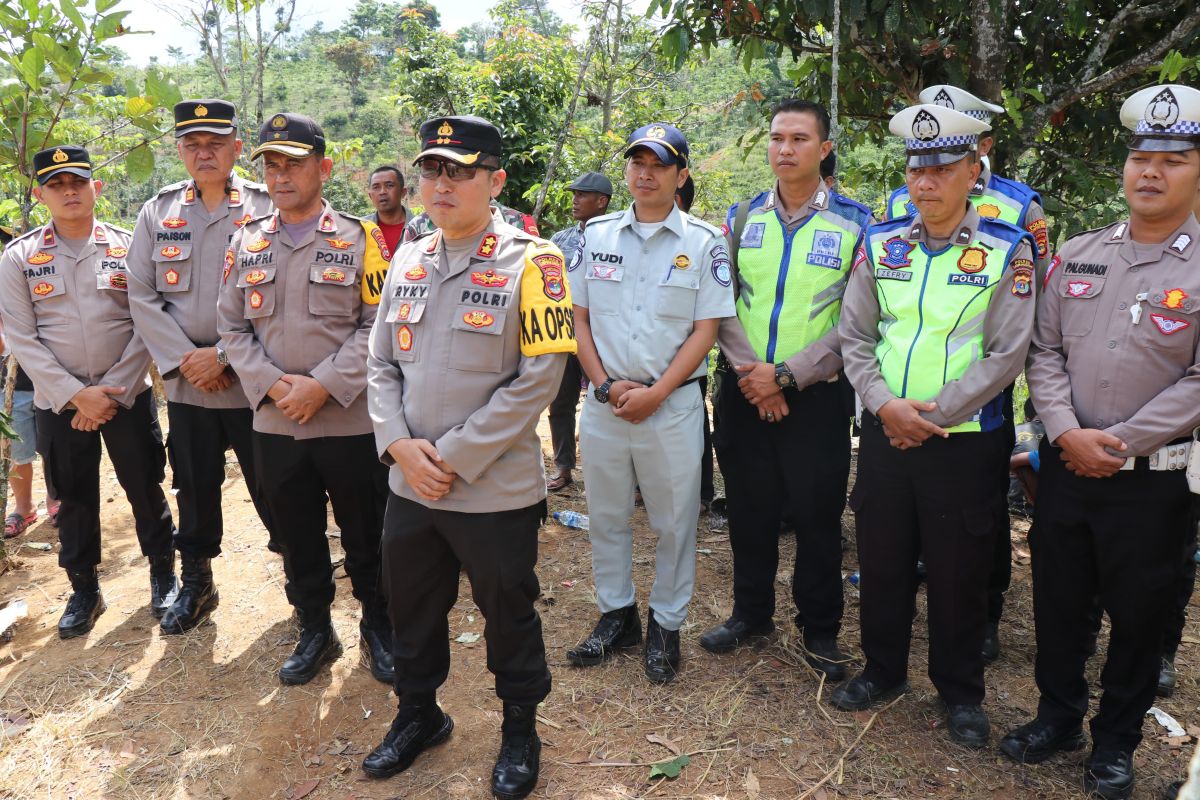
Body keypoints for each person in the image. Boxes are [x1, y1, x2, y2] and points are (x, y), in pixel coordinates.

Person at [362, 115, 575, 799]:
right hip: (410, 486)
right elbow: (379, 364)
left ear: (496, 180)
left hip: (492, 489)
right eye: (432, 170)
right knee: (411, 608)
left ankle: (519, 729)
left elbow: (541, 378)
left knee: (507, 610)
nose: (442, 183)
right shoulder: (408, 257)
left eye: (460, 170)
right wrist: (398, 444)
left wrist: (450, 456)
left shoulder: (538, 263)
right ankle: (420, 716)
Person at [1000, 84, 1200, 800]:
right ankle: (1058, 716)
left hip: (1151, 480)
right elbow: (1043, 352)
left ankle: (1116, 743)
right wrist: (1064, 432)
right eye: (1140, 157)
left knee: (1141, 616)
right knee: (1059, 600)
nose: (1150, 172)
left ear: (1197, 170)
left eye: (1172, 160)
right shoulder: (1081, 254)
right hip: (1066, 467)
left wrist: (1112, 440)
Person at [835, 104, 1037, 748]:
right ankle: (882, 670)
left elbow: (1008, 354)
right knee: (883, 555)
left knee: (958, 567)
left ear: (975, 171)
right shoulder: (880, 241)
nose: (927, 182)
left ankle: (960, 691)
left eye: (944, 167)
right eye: (917, 168)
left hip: (966, 440)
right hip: (887, 432)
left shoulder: (1009, 249)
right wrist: (884, 406)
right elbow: (855, 336)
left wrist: (933, 416)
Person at [216, 113, 392, 686]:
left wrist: (324, 385)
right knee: (296, 534)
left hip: (347, 422)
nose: (280, 174)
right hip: (275, 424)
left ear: (325, 167)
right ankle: (315, 626)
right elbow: (232, 330)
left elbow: (378, 326)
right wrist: (271, 384)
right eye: (271, 163)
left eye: (294, 162)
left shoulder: (360, 238)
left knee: (366, 531)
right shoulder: (244, 241)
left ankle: (378, 623)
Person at [701, 99, 869, 682]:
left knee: (819, 518)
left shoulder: (858, 224)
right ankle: (751, 613)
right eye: (777, 137)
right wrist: (756, 378)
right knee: (749, 508)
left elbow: (857, 325)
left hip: (817, 398)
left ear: (824, 149)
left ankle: (820, 629)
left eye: (800, 139)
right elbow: (720, 303)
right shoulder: (742, 217)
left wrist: (789, 376)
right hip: (744, 392)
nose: (785, 149)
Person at [886, 85, 1051, 662]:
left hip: (980, 400)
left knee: (977, 524)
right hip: (898, 404)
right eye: (917, 158)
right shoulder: (894, 205)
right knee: (904, 532)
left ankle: (985, 615)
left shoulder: (1020, 208)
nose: (927, 174)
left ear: (979, 148)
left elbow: (1032, 308)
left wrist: (944, 410)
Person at [565, 123, 734, 684]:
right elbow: (579, 319)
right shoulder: (596, 236)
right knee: (608, 516)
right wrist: (606, 386)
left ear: (681, 175)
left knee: (674, 521)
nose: (644, 173)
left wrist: (656, 394)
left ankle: (665, 623)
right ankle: (617, 616)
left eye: (659, 164)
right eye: (637, 162)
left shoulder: (704, 242)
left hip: (673, 405)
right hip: (606, 402)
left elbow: (706, 330)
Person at [0, 146, 178, 638]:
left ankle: (163, 575)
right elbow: (22, 339)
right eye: (57, 185)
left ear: (96, 187)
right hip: (60, 404)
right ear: (41, 195)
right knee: (73, 498)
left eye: (78, 181)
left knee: (144, 485)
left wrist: (111, 392)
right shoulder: (19, 258)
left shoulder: (128, 247)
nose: (70, 191)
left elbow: (148, 322)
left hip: (127, 395)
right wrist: (78, 396)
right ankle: (84, 591)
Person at [126, 99, 277, 635]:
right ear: (180, 150)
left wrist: (225, 356)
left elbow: (281, 295)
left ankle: (302, 587)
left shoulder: (266, 206)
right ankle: (197, 581)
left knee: (275, 487)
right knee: (192, 484)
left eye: (215, 143)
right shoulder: (158, 213)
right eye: (192, 144)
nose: (204, 153)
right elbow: (142, 296)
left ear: (237, 146)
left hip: (255, 384)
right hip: (190, 389)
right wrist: (184, 361)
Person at [546, 171, 612, 492]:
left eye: (582, 195)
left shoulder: (616, 239)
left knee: (608, 396)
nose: (575, 200)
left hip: (603, 335)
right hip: (564, 332)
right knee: (560, 401)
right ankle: (563, 466)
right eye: (574, 194)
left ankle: (621, 473)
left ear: (602, 202)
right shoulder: (560, 240)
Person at [673, 174, 717, 513]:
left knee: (694, 423)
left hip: (686, 358)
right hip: (637, 365)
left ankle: (700, 493)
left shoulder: (702, 241)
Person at [0, 356, 59, 537]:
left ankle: (57, 501)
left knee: (54, 448)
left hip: (54, 383)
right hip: (9, 387)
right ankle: (24, 508)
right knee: (16, 453)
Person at [367, 165, 410, 253]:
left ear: (403, 192)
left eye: (389, 185)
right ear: (370, 195)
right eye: (376, 187)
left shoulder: (422, 229)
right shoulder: (361, 229)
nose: (382, 192)